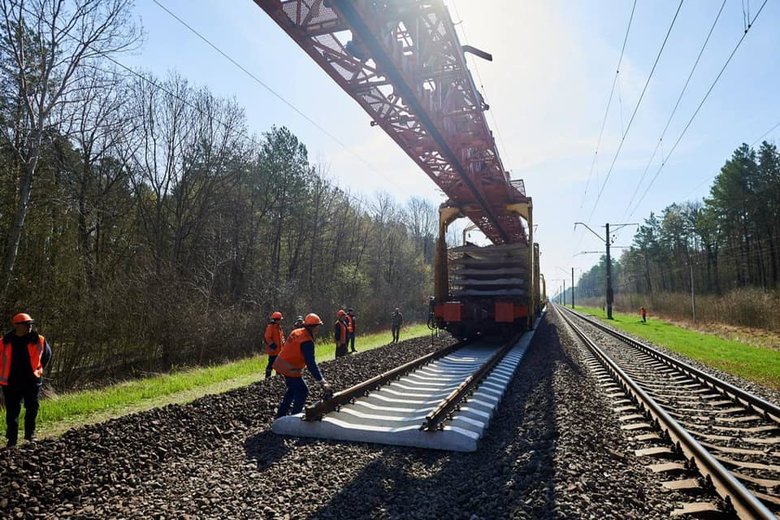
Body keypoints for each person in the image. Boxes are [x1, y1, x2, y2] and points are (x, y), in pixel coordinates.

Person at [1, 313, 52, 447]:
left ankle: (30, 435)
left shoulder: (39, 339)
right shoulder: (4, 341)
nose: (29, 327)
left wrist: (38, 369)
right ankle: (12, 440)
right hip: (11, 382)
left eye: (30, 324)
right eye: (26, 324)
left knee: (32, 408)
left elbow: (47, 355)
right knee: (12, 411)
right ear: (16, 325)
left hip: (31, 381)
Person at [273, 313, 331, 418]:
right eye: (318, 326)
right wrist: (322, 381)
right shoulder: (307, 341)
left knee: (292, 390)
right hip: (290, 368)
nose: (319, 328)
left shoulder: (297, 332)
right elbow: (310, 363)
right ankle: (295, 417)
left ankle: (281, 415)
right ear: (314, 327)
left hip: (282, 364)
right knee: (302, 390)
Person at [263, 311, 285, 380]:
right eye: (280, 319)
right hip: (273, 351)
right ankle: (267, 378)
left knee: (279, 365)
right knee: (271, 364)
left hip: (279, 351)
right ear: (276, 320)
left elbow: (282, 338)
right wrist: (272, 345)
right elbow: (267, 337)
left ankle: (278, 379)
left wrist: (284, 346)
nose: (281, 321)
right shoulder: (271, 327)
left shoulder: (279, 327)